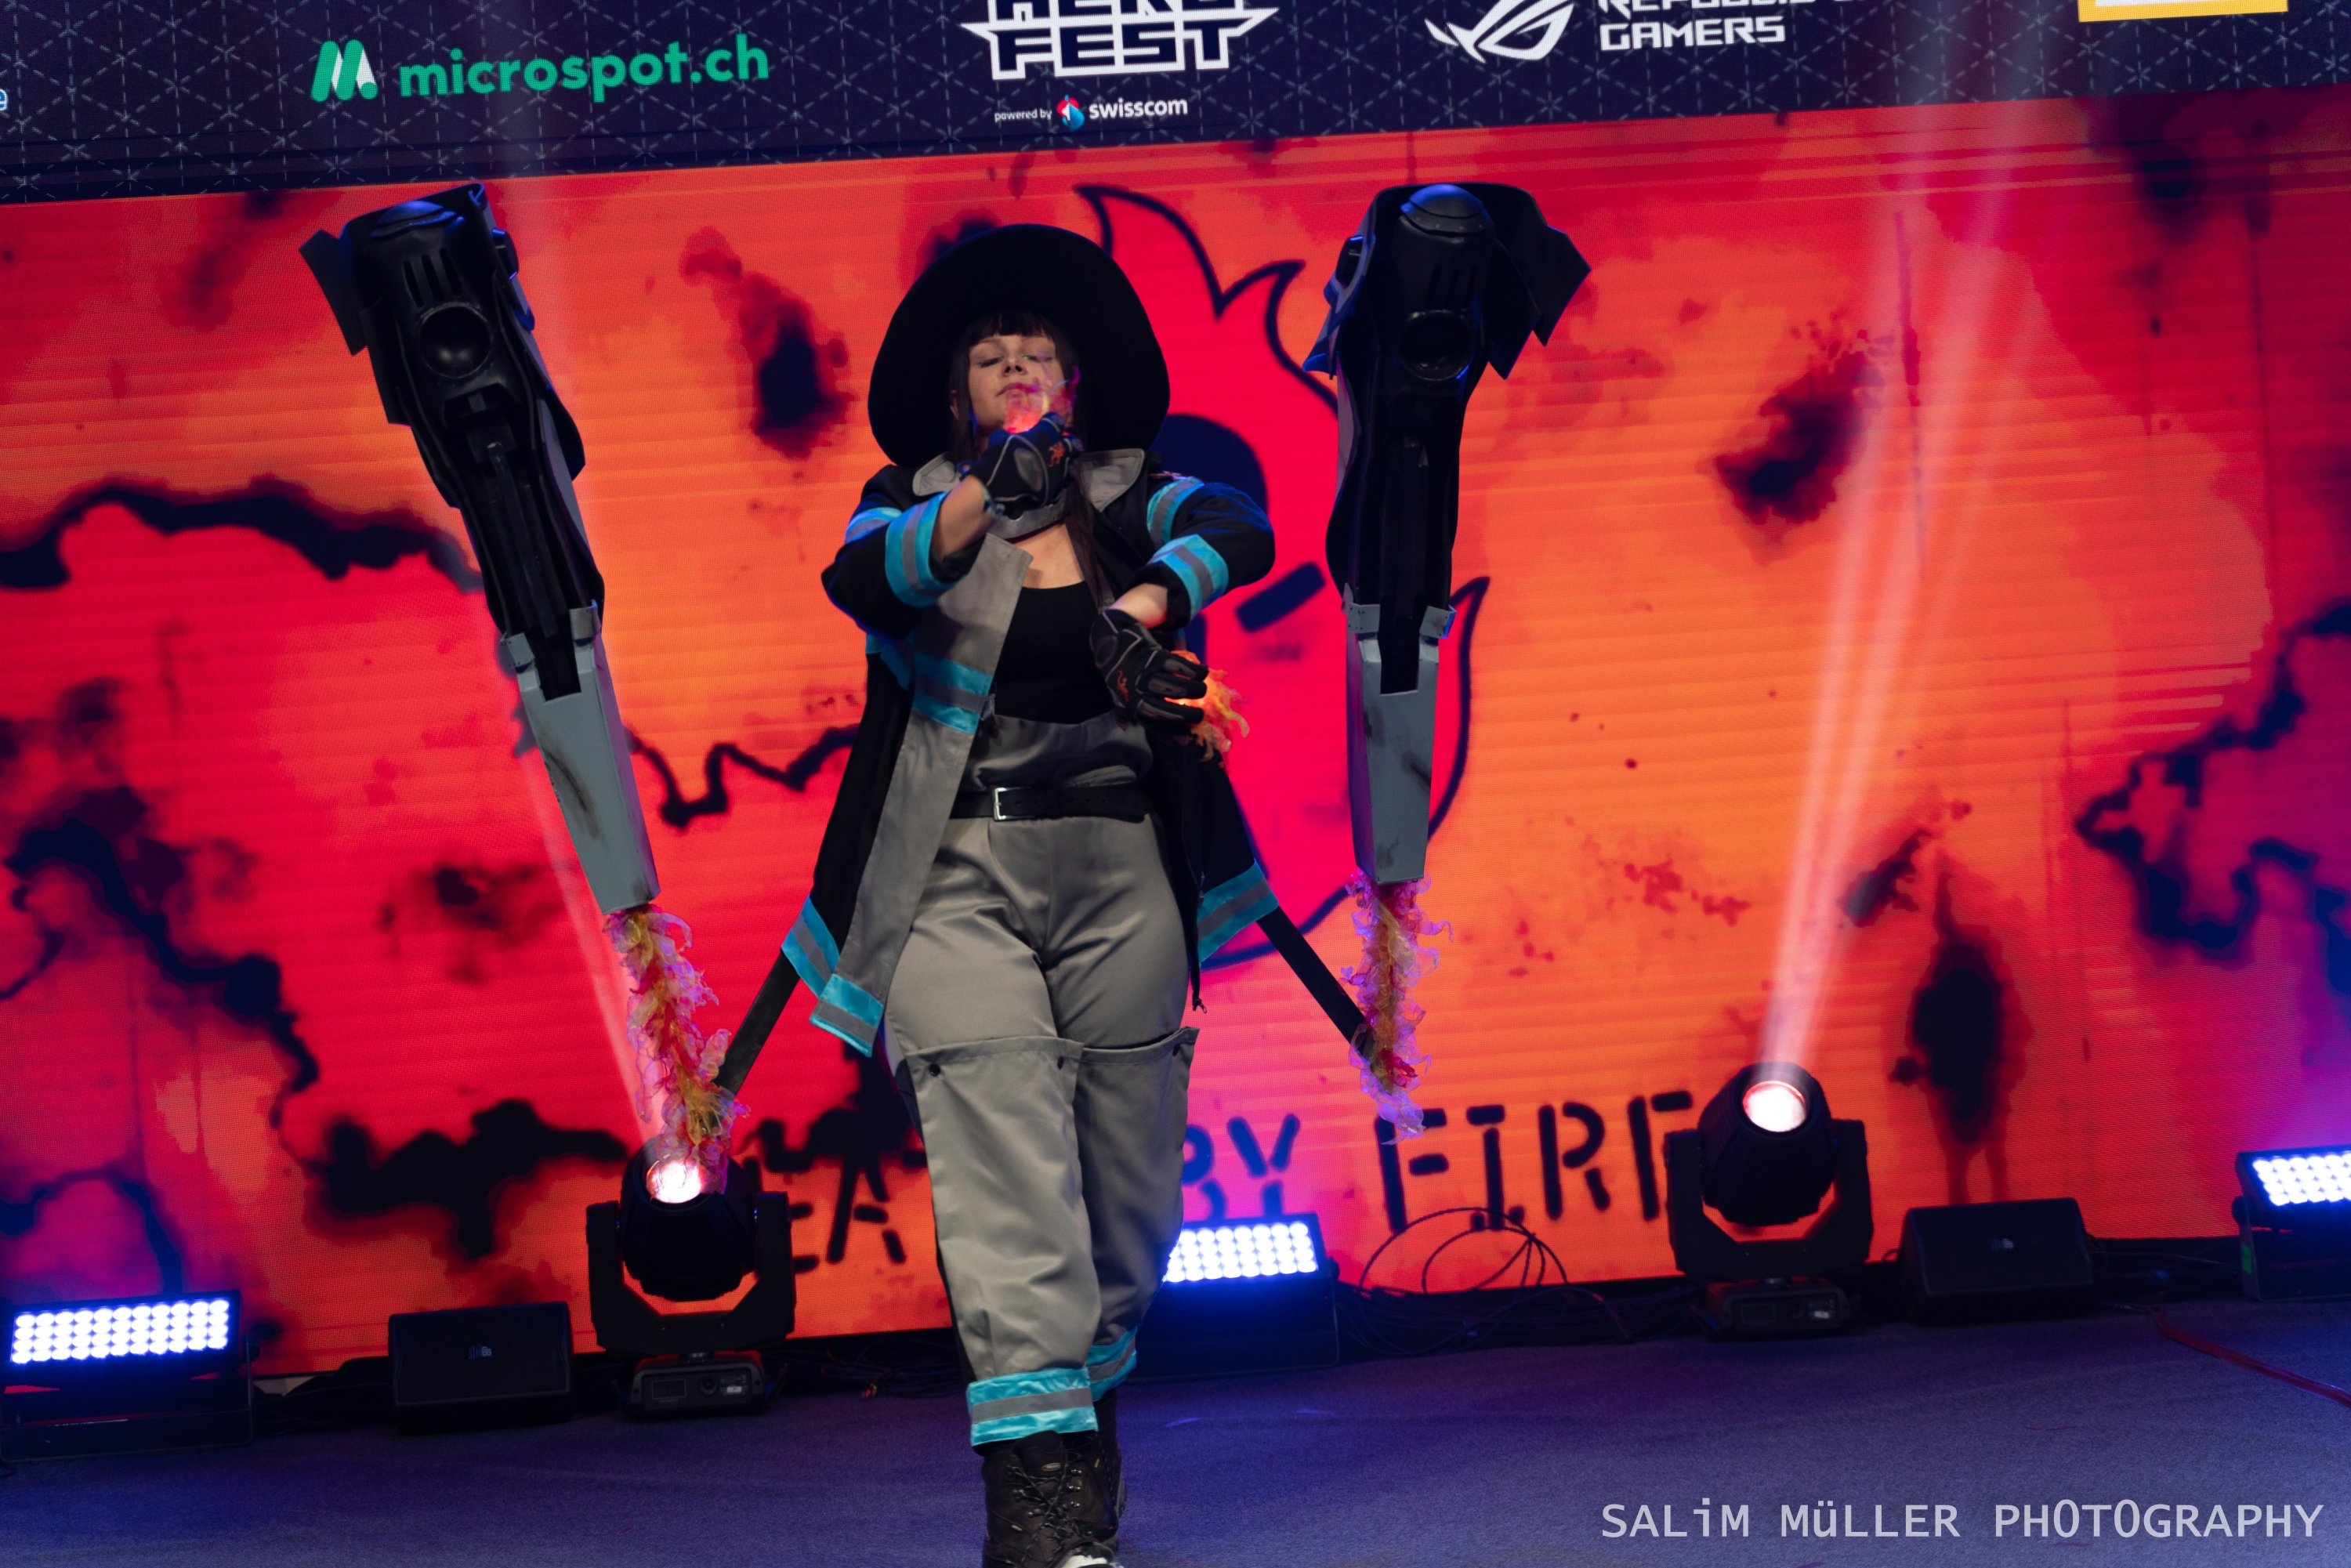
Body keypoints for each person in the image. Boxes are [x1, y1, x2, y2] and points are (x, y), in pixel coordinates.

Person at [781, 225, 1279, 1568]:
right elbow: (868, 577)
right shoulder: (906, 499)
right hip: (955, 876)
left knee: (1129, 1204)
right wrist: (980, 500)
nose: (1016, 369)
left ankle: (1081, 1410)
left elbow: (1238, 524)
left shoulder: (1133, 493)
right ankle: (1036, 1491)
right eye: (991, 357)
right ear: (958, 390)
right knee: (1008, 1173)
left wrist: (1151, 604)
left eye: (1038, 356)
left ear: (1075, 383)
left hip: (1120, 871)